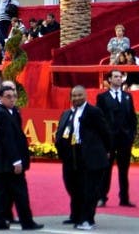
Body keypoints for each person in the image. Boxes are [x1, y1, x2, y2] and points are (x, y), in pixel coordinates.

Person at [0, 81, 43, 231]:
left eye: (14, 96)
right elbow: (8, 140)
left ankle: (0, 221)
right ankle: (26, 222)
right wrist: (16, 161)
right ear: (0, 97)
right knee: (18, 193)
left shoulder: (9, 111)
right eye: (8, 97)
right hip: (7, 162)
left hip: (3, 162)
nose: (12, 99)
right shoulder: (1, 113)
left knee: (1, 193)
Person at [54, 86, 110, 231]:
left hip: (91, 156)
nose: (76, 98)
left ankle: (87, 220)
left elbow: (105, 132)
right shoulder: (67, 113)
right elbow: (61, 134)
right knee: (73, 187)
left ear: (85, 95)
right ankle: (77, 215)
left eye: (79, 95)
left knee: (89, 190)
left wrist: (107, 151)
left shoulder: (94, 112)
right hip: (72, 156)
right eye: (74, 95)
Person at [97, 69, 137, 208]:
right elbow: (99, 119)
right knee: (105, 170)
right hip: (109, 140)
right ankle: (102, 197)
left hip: (125, 139)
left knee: (124, 170)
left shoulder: (128, 97)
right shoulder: (102, 97)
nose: (119, 79)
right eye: (116, 76)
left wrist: (132, 135)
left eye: (120, 76)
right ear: (109, 80)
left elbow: (132, 117)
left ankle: (124, 198)